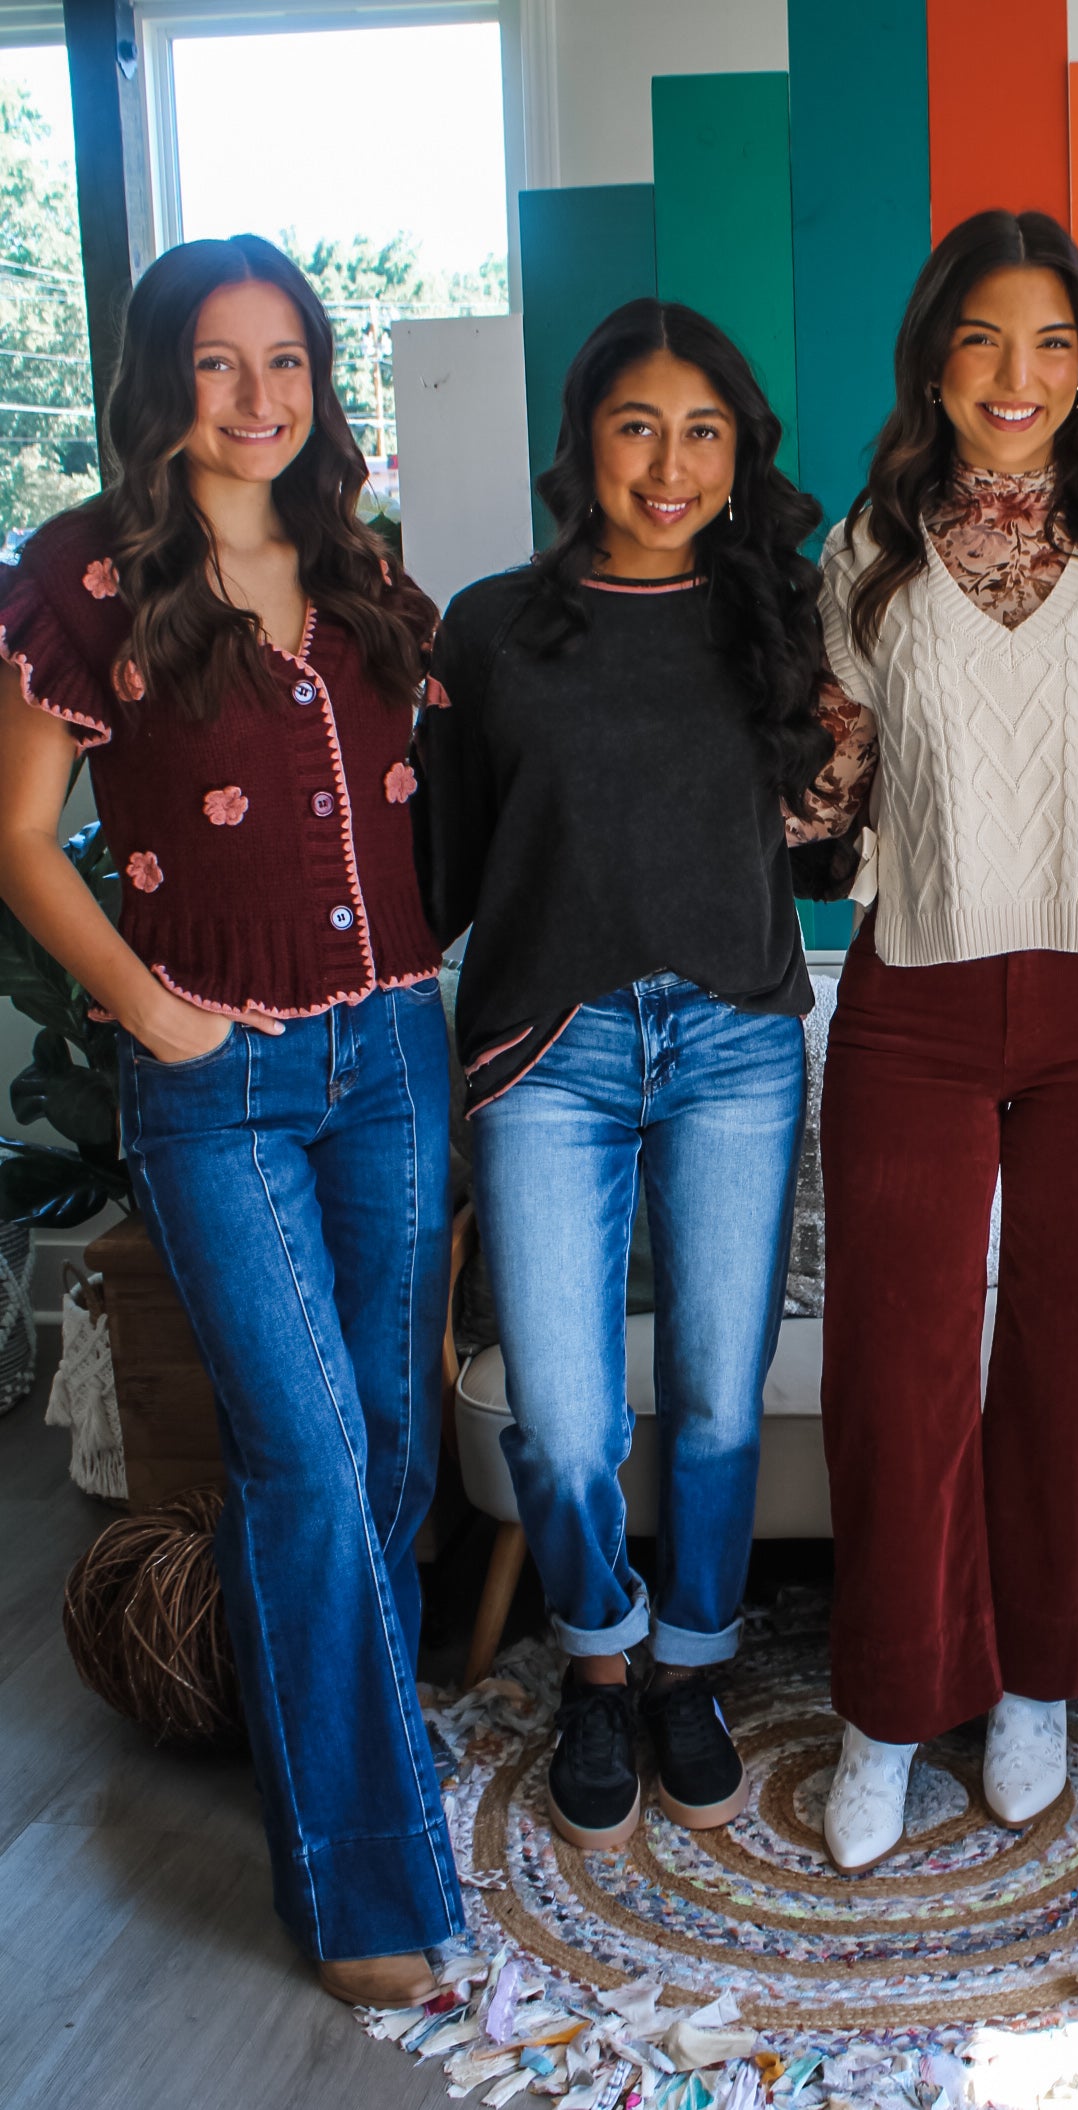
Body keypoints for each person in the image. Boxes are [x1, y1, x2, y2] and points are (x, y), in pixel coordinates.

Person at [0, 236, 458, 2006]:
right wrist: (154, 1012)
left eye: (287, 361)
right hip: (220, 1083)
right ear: (159, 379)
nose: (258, 397)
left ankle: (355, 1757)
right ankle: (360, 1881)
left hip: (392, 1054)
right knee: (309, 1456)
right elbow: (19, 837)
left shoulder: (360, 563)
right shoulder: (85, 575)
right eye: (216, 361)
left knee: (391, 1445)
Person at [791, 208, 1078, 1872]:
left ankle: (1040, 1679)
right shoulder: (865, 550)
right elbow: (829, 782)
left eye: (1052, 340)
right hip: (912, 995)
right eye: (983, 336)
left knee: (1067, 1360)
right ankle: (892, 1700)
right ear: (935, 358)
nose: (1016, 372)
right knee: (894, 1365)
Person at [415, 300, 830, 1853]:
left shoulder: (773, 616)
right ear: (582, 440)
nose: (670, 464)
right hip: (548, 1050)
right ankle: (599, 1661)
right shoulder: (489, 629)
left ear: (740, 452)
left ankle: (692, 1668)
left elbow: (827, 838)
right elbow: (435, 874)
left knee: (719, 1395)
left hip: (735, 1041)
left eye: (703, 431)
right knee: (570, 1417)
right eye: (637, 426)